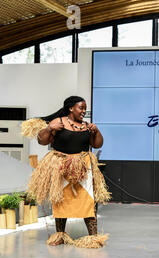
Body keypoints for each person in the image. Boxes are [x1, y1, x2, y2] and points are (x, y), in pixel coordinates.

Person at [22, 96, 110, 248]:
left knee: (88, 200)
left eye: (84, 108)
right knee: (60, 199)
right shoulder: (59, 122)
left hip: (83, 167)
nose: (83, 111)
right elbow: (42, 141)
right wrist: (50, 128)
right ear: (71, 108)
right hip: (61, 166)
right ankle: (60, 235)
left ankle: (93, 237)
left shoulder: (86, 126)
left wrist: (96, 131)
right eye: (81, 108)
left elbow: (97, 144)